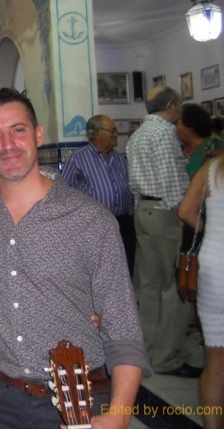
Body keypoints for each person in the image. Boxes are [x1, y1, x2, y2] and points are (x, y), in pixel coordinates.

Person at [0, 88, 148, 428]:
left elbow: (122, 323)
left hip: (76, 397)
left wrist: (120, 413)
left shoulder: (90, 219)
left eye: (18, 130)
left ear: (38, 134)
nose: (8, 144)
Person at [127, 86, 201, 377]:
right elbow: (173, 180)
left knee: (148, 286)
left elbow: (135, 181)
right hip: (165, 212)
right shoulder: (165, 133)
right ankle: (167, 357)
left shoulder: (137, 135)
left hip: (144, 210)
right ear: (170, 106)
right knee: (174, 287)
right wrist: (182, 215)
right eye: (178, 106)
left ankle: (146, 350)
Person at [178, 157, 224, 429]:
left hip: (213, 267)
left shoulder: (211, 168)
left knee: (215, 362)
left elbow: (185, 210)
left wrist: (212, 231)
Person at [61, 115, 135, 276]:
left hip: (123, 224)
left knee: (125, 268)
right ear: (96, 133)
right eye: (112, 130)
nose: (116, 134)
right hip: (93, 225)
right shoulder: (78, 158)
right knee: (101, 271)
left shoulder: (119, 158)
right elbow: (62, 193)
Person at [178, 102, 223, 178]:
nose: (173, 127)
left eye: (176, 123)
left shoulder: (216, 147)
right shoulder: (178, 148)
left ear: (189, 125)